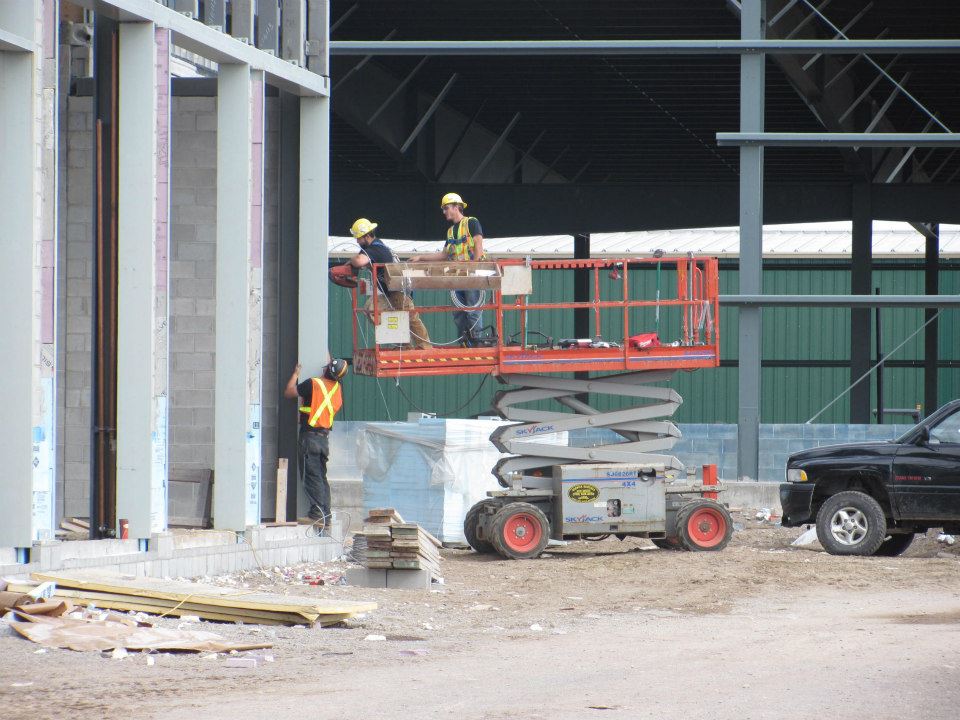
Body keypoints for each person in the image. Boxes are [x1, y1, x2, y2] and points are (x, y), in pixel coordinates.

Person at [409, 193, 487, 346]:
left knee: (472, 310)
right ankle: (464, 343)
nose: (444, 211)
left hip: (472, 275)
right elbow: (445, 254)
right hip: (458, 276)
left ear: (456, 207)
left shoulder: (471, 222)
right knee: (458, 312)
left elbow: (478, 246)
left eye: (446, 208)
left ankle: (477, 342)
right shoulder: (451, 231)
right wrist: (421, 258)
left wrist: (474, 268)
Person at [342, 217, 431, 350]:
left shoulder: (376, 249)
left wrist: (351, 261)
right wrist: (348, 265)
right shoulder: (371, 248)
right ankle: (403, 345)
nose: (357, 241)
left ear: (366, 236)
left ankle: (425, 347)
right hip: (389, 292)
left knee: (411, 318)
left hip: (398, 291)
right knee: (371, 308)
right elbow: (359, 260)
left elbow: (359, 261)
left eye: (358, 238)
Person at [283, 358, 348, 523]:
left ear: (326, 370)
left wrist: (295, 374)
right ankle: (326, 514)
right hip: (323, 440)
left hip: (309, 438)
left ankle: (317, 513)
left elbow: (288, 392)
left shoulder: (313, 383)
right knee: (321, 477)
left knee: (312, 476)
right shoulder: (337, 389)